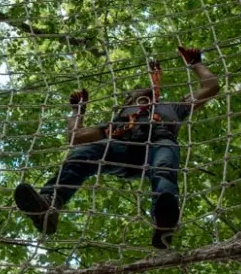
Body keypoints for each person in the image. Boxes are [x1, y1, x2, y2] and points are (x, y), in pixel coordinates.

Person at [14, 47, 219, 249]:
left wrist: (195, 64)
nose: (142, 90)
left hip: (159, 142)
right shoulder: (118, 122)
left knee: (164, 166)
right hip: (124, 149)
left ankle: (164, 219)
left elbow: (211, 87)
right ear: (127, 101)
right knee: (85, 153)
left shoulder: (174, 107)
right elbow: (75, 137)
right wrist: (78, 111)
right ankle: (50, 204)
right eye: (134, 93)